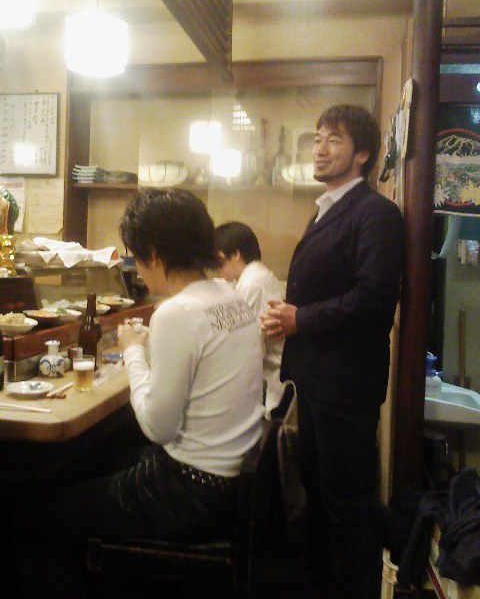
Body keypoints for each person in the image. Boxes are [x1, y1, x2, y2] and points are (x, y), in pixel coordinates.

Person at [13, 189, 264, 599]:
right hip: (230, 485)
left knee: (36, 515)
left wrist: (132, 350)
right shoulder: (232, 299)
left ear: (154, 254)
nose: (139, 270)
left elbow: (157, 427)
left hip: (190, 491)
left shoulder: (178, 312)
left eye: (136, 257)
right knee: (94, 466)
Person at [260, 105, 404, 599]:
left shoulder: (376, 213)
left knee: (348, 507)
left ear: (362, 154)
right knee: (320, 497)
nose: (319, 148)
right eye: (317, 138)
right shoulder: (327, 207)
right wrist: (289, 315)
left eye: (334, 140)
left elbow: (375, 297)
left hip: (347, 386)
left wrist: (300, 318)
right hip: (319, 380)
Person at [214, 221, 285, 414]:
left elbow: (249, 345)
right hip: (269, 373)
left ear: (235, 255)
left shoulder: (252, 283)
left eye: (218, 259)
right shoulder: (254, 275)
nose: (215, 266)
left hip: (273, 379)